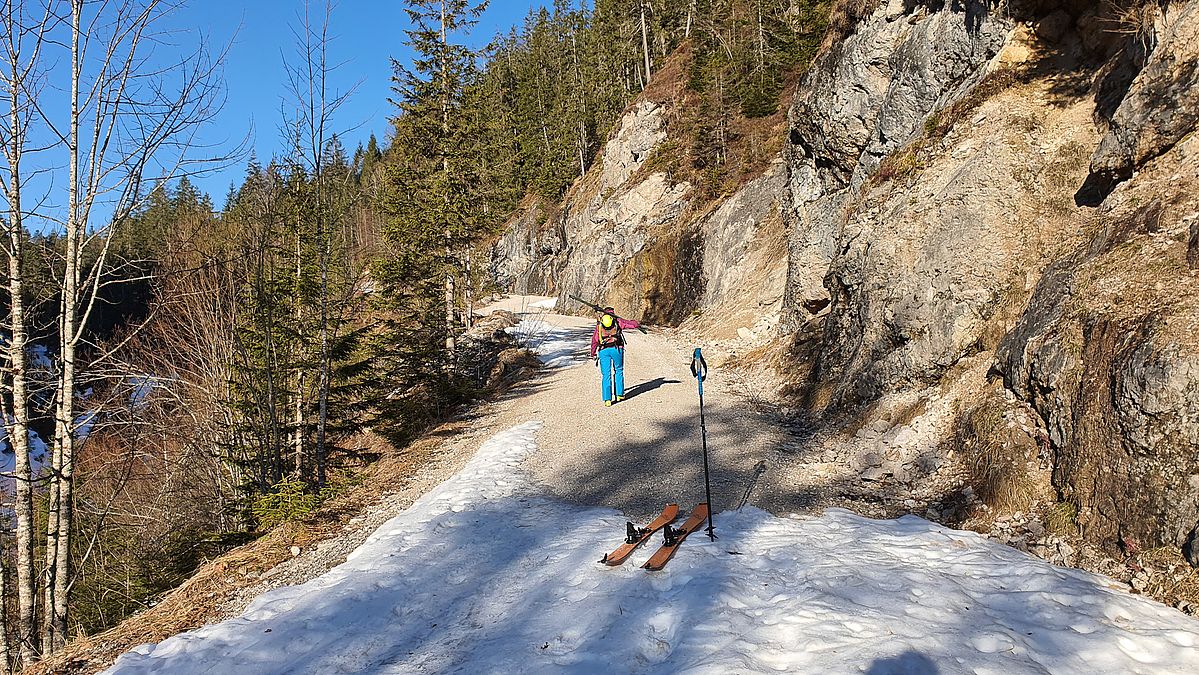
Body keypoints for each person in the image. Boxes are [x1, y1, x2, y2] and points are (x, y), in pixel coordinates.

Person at [589, 306, 641, 406]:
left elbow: (594, 340)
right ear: (612, 312)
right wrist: (636, 323)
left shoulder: (600, 325)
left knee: (606, 374)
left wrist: (593, 352)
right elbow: (631, 324)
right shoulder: (618, 321)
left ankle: (607, 399)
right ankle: (619, 394)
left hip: (604, 351)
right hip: (617, 349)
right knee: (619, 370)